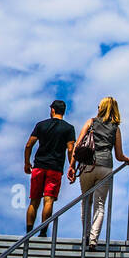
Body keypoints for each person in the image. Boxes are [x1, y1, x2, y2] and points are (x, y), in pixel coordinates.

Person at [67, 97, 129, 251]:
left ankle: (85, 236)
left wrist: (71, 166)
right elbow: (118, 155)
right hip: (105, 167)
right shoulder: (115, 128)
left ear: (101, 108)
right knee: (100, 205)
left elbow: (78, 145)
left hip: (87, 166)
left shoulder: (91, 122)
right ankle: (93, 240)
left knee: (86, 201)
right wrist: (126, 159)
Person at [24, 98, 76, 238]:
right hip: (55, 168)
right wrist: (72, 166)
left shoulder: (41, 125)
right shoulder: (68, 128)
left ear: (52, 110)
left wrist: (27, 163)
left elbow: (29, 145)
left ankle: (29, 232)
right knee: (49, 200)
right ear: (63, 112)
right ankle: (43, 232)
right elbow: (70, 149)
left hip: (39, 166)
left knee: (34, 200)